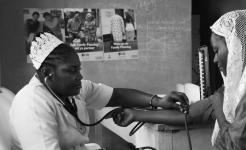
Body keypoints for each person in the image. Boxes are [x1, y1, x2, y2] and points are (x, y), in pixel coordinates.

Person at [112, 8, 246, 150]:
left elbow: (239, 146)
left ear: (236, 49)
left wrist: (220, 111)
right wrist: (136, 114)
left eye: (217, 51)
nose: (215, 59)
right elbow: (191, 114)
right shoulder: (237, 88)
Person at [9, 32, 189, 150]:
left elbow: (117, 95)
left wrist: (158, 101)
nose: (79, 76)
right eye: (71, 70)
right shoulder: (32, 104)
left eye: (78, 69)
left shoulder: (72, 91)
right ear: (48, 73)